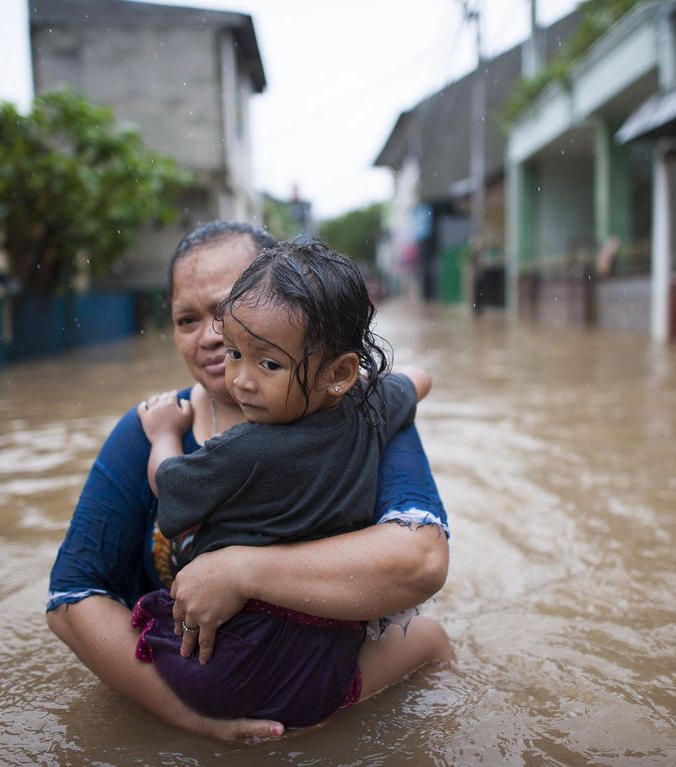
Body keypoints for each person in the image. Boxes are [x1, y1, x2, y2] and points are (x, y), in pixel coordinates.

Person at [46, 221, 451, 742]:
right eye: (186, 319)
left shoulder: (360, 408)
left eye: (228, 306)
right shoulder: (147, 425)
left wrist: (241, 572)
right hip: (232, 691)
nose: (213, 335)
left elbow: (419, 561)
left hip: (248, 677)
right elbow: (72, 597)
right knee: (428, 639)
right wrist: (187, 718)